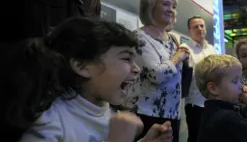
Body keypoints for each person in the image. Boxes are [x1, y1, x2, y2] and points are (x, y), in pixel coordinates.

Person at [10, 18, 171, 142]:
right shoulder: (49, 124)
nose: (137, 68)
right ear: (82, 66)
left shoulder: (109, 111)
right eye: (126, 58)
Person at [124, 0, 188, 142]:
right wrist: (178, 57)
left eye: (174, 6)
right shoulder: (139, 37)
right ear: (150, 6)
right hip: (145, 114)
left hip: (172, 114)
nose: (171, 10)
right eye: (166, 4)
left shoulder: (173, 40)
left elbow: (181, 81)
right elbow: (156, 75)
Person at [194, 55, 247, 142]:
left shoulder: (212, 112)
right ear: (213, 88)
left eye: (240, 80)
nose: (241, 86)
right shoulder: (225, 118)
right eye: (235, 81)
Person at [184, 16, 217, 142]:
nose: (200, 29)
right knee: (196, 137)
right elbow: (189, 75)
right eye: (195, 27)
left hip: (212, 102)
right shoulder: (185, 49)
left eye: (202, 26)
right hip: (195, 103)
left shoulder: (212, 49)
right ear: (189, 31)